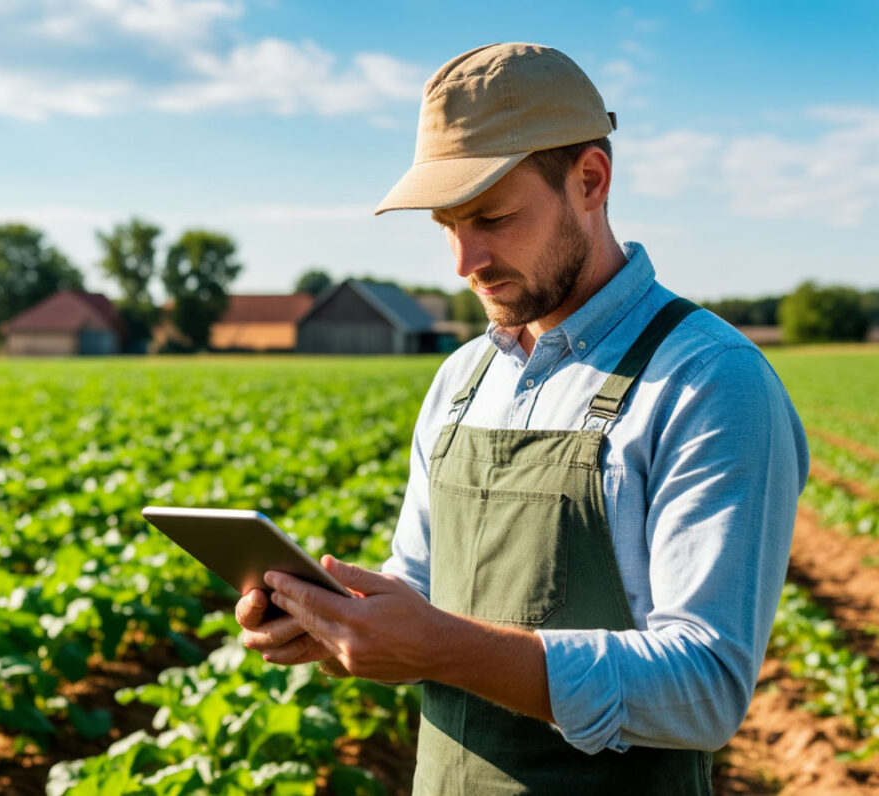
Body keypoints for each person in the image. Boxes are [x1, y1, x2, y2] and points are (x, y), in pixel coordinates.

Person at [237, 42, 809, 794]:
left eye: (494, 218)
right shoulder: (462, 380)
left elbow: (703, 687)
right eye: (447, 224)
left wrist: (442, 649)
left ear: (591, 181)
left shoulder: (707, 379)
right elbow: (423, 587)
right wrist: (336, 621)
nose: (463, 260)